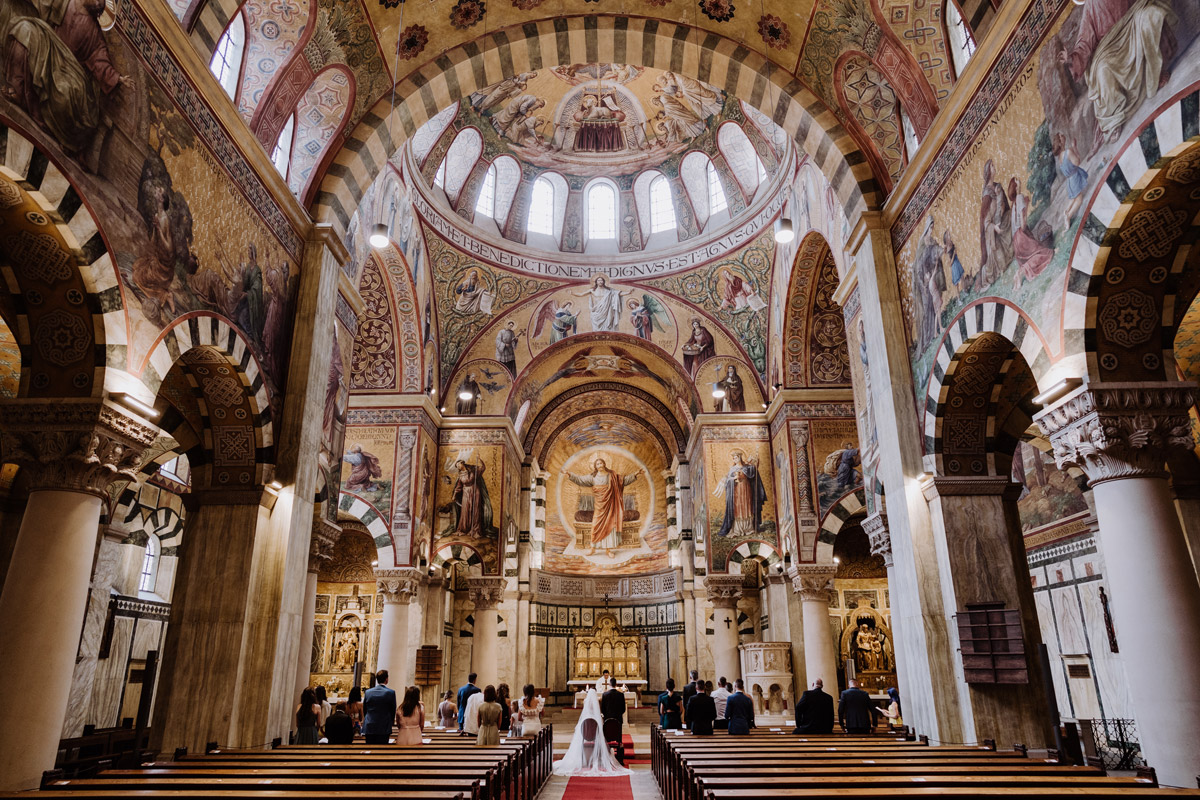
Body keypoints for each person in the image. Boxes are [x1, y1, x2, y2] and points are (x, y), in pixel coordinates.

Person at [553, 689, 630, 775]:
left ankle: (584, 759)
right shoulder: (597, 719)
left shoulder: (585, 720)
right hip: (596, 736)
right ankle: (600, 758)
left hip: (586, 737)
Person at [362, 670, 398, 744]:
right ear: (386, 679)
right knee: (382, 750)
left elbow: (365, 709)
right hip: (384, 726)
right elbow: (392, 710)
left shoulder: (368, 692)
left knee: (369, 749)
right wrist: (390, 723)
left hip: (369, 725)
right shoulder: (390, 693)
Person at [601, 677, 627, 741]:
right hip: (618, 718)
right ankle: (619, 744)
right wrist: (618, 715)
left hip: (607, 718)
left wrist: (607, 715)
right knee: (618, 736)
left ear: (609, 684)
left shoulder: (605, 694)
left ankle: (607, 747)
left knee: (607, 735)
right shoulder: (621, 695)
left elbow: (602, 708)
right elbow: (623, 708)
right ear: (616, 684)